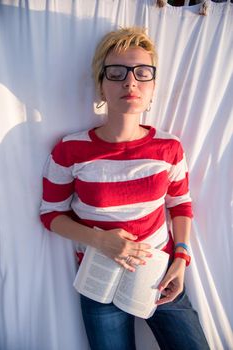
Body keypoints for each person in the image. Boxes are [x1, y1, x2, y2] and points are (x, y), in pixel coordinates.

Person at [40, 27, 209, 350]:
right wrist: (101, 240)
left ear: (152, 87)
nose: (130, 82)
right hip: (99, 281)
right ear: (101, 87)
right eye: (116, 73)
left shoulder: (169, 147)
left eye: (142, 73)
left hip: (160, 274)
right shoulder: (70, 150)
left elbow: (180, 204)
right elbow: (50, 214)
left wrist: (181, 258)